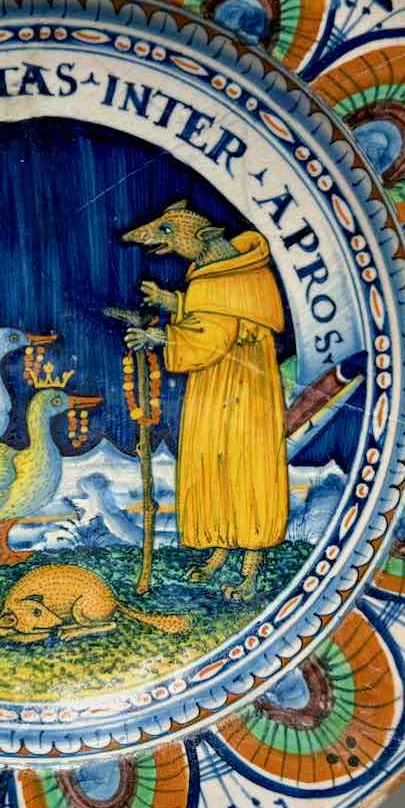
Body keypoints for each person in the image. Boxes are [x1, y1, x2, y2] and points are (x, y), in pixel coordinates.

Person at [120, 200, 288, 600]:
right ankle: (220, 549)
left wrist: (161, 336)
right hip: (215, 387)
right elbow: (210, 313)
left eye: (167, 232)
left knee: (244, 468)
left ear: (204, 238)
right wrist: (173, 303)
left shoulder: (244, 273)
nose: (159, 238)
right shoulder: (214, 272)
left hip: (243, 392)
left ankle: (250, 567)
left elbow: (215, 334)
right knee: (212, 463)